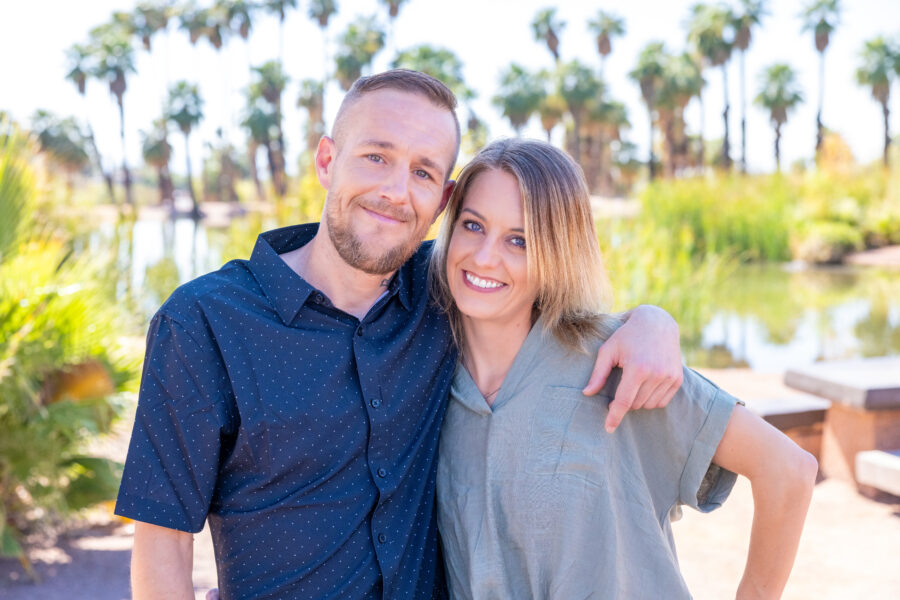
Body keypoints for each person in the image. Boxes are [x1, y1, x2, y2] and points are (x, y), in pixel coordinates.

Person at [115, 70, 684, 600]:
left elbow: (546, 283)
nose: (395, 191)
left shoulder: (450, 291)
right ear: (326, 160)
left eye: (422, 171)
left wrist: (651, 320)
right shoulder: (203, 323)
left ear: (443, 198)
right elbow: (163, 538)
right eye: (376, 157)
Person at [430, 138, 818, 600]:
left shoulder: (619, 361)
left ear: (557, 250)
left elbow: (788, 469)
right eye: (473, 225)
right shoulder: (427, 375)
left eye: (520, 240)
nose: (485, 256)